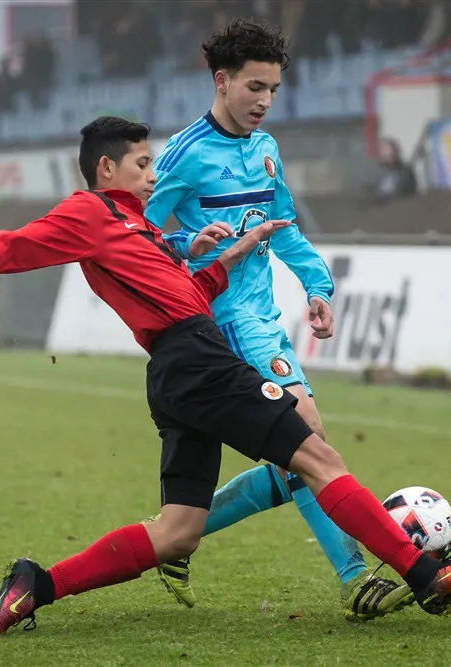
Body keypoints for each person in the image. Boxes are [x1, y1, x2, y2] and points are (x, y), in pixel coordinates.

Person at [0, 116, 451, 637]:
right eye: (142, 164)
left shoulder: (137, 229)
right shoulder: (90, 213)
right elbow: (13, 244)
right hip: (199, 363)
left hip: (177, 372)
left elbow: (187, 297)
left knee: (178, 533)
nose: (153, 175)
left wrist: (228, 255)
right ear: (106, 168)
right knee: (317, 457)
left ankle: (37, 584)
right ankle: (425, 575)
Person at [145, 20, 414, 620]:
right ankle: (354, 578)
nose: (265, 100)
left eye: (273, 89)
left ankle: (174, 538)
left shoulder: (266, 149)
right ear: (222, 81)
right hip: (216, 320)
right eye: (255, 87)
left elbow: (285, 228)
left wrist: (317, 286)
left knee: (295, 455)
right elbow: (142, 236)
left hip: (261, 318)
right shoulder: (185, 153)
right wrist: (191, 243)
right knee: (307, 437)